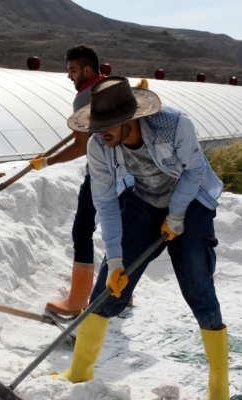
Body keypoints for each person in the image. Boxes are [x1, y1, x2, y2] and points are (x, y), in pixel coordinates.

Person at [53, 76, 229, 400]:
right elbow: (105, 202)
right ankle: (80, 370)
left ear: (128, 120)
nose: (100, 133)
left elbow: (194, 169)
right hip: (145, 201)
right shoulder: (99, 145)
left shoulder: (174, 124)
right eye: (96, 125)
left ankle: (219, 388)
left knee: (198, 287)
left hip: (190, 203)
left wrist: (176, 214)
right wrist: (117, 259)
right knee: (108, 287)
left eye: (107, 126)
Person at [30, 44, 133, 316]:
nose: (69, 76)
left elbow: (80, 146)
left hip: (101, 172)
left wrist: (48, 161)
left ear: (87, 70)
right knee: (122, 231)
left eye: (72, 70)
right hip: (129, 173)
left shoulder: (84, 97)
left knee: (82, 231)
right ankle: (124, 291)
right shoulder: (113, 86)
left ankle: (76, 301)